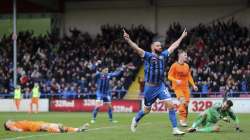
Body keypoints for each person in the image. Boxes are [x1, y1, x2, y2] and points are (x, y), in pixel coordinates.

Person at [123, 28, 187, 135]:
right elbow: (137, 48)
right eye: (158, 45)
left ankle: (175, 129)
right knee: (147, 110)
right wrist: (128, 40)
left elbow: (173, 46)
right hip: (150, 88)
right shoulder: (148, 56)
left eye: (160, 45)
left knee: (171, 106)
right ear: (153, 47)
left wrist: (182, 37)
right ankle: (136, 119)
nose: (160, 47)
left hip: (161, 86)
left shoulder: (164, 55)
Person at [168, 50, 198, 126]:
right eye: (185, 55)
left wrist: (193, 85)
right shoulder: (174, 65)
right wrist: (176, 80)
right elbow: (169, 76)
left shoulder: (186, 66)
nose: (186, 56)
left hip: (186, 88)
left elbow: (189, 76)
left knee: (186, 105)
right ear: (180, 56)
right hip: (177, 87)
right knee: (182, 101)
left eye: (186, 55)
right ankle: (181, 120)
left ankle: (184, 120)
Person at [3, 120, 89, 133]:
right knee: (48, 127)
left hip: (36, 123)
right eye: (7, 123)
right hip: (33, 126)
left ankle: (78, 129)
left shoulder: (16, 122)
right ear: (8, 126)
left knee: (58, 125)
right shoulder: (13, 126)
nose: (9, 121)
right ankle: (59, 131)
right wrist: (12, 128)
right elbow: (19, 130)